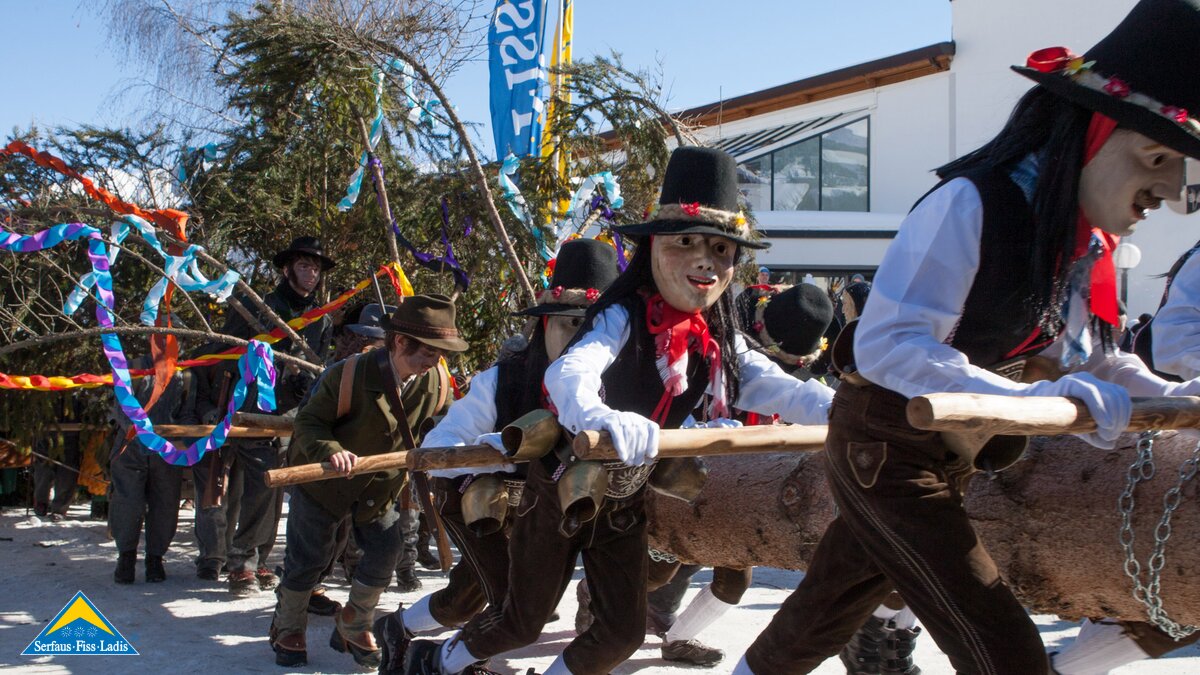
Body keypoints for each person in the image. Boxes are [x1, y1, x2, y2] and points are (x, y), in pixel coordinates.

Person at [736, 1, 1200, 672]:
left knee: (820, 614)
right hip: (884, 451)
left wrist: (1172, 395)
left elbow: (1093, 354)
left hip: (949, 453)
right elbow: (889, 343)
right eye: (1156, 157)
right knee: (1003, 646)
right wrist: (1030, 401)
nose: (1165, 191)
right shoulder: (971, 204)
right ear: (1094, 136)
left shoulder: (1073, 241)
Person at [404, 146, 833, 675]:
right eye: (686, 243)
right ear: (653, 247)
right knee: (521, 619)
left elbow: (780, 390)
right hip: (556, 491)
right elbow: (570, 375)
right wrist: (603, 418)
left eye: (722, 250)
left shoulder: (718, 341)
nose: (705, 261)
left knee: (622, 634)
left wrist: (846, 411)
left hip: (626, 500)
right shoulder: (620, 318)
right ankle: (435, 661)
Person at [372, 238, 620, 674]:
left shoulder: (617, 390)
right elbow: (435, 448)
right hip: (474, 497)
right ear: (544, 325)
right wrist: (499, 450)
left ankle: (399, 629)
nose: (581, 340)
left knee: (468, 595)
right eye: (568, 324)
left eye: (592, 327)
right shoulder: (502, 380)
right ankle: (455, 660)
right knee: (513, 599)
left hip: (544, 514)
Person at [268, 295, 462, 669]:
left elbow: (448, 423)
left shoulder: (435, 381)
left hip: (379, 489)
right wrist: (331, 450)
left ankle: (354, 621)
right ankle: (288, 625)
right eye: (428, 352)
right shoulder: (348, 374)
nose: (434, 361)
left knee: (386, 551)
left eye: (440, 354)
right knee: (308, 559)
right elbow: (308, 423)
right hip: (324, 484)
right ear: (400, 342)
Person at [193, 235, 334, 593]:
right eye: (305, 265)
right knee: (258, 480)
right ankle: (241, 560)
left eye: (316, 268)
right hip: (254, 407)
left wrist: (308, 387)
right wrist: (219, 403)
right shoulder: (255, 308)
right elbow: (223, 353)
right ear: (287, 269)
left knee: (279, 486)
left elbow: (319, 364)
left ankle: (261, 558)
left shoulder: (321, 320)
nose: (312, 274)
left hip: (298, 413)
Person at [109, 349, 199, 584]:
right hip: (130, 447)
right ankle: (126, 558)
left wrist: (190, 434)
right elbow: (120, 409)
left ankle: (155, 559)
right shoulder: (133, 368)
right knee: (128, 503)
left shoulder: (186, 374)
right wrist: (142, 431)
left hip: (167, 451)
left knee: (165, 505)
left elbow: (186, 412)